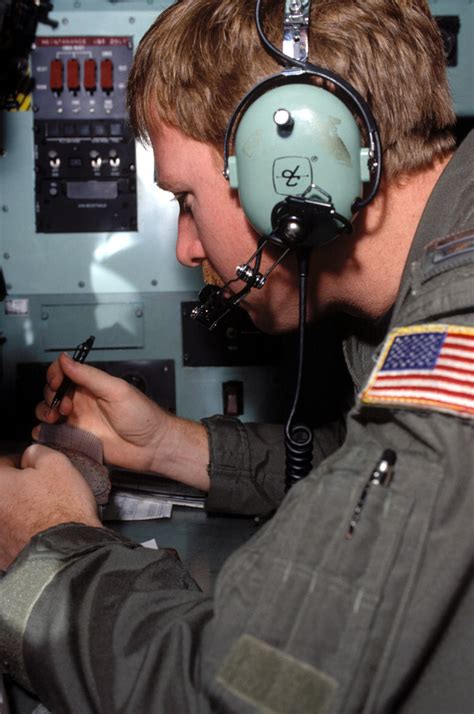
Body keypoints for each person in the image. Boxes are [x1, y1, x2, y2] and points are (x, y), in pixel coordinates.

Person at [1, 0, 473, 711]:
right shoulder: (413, 307)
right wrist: (165, 446)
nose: (187, 247)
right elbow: (371, 483)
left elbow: (228, 692)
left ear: (296, 162)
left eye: (187, 199)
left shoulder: (460, 317)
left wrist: (48, 541)